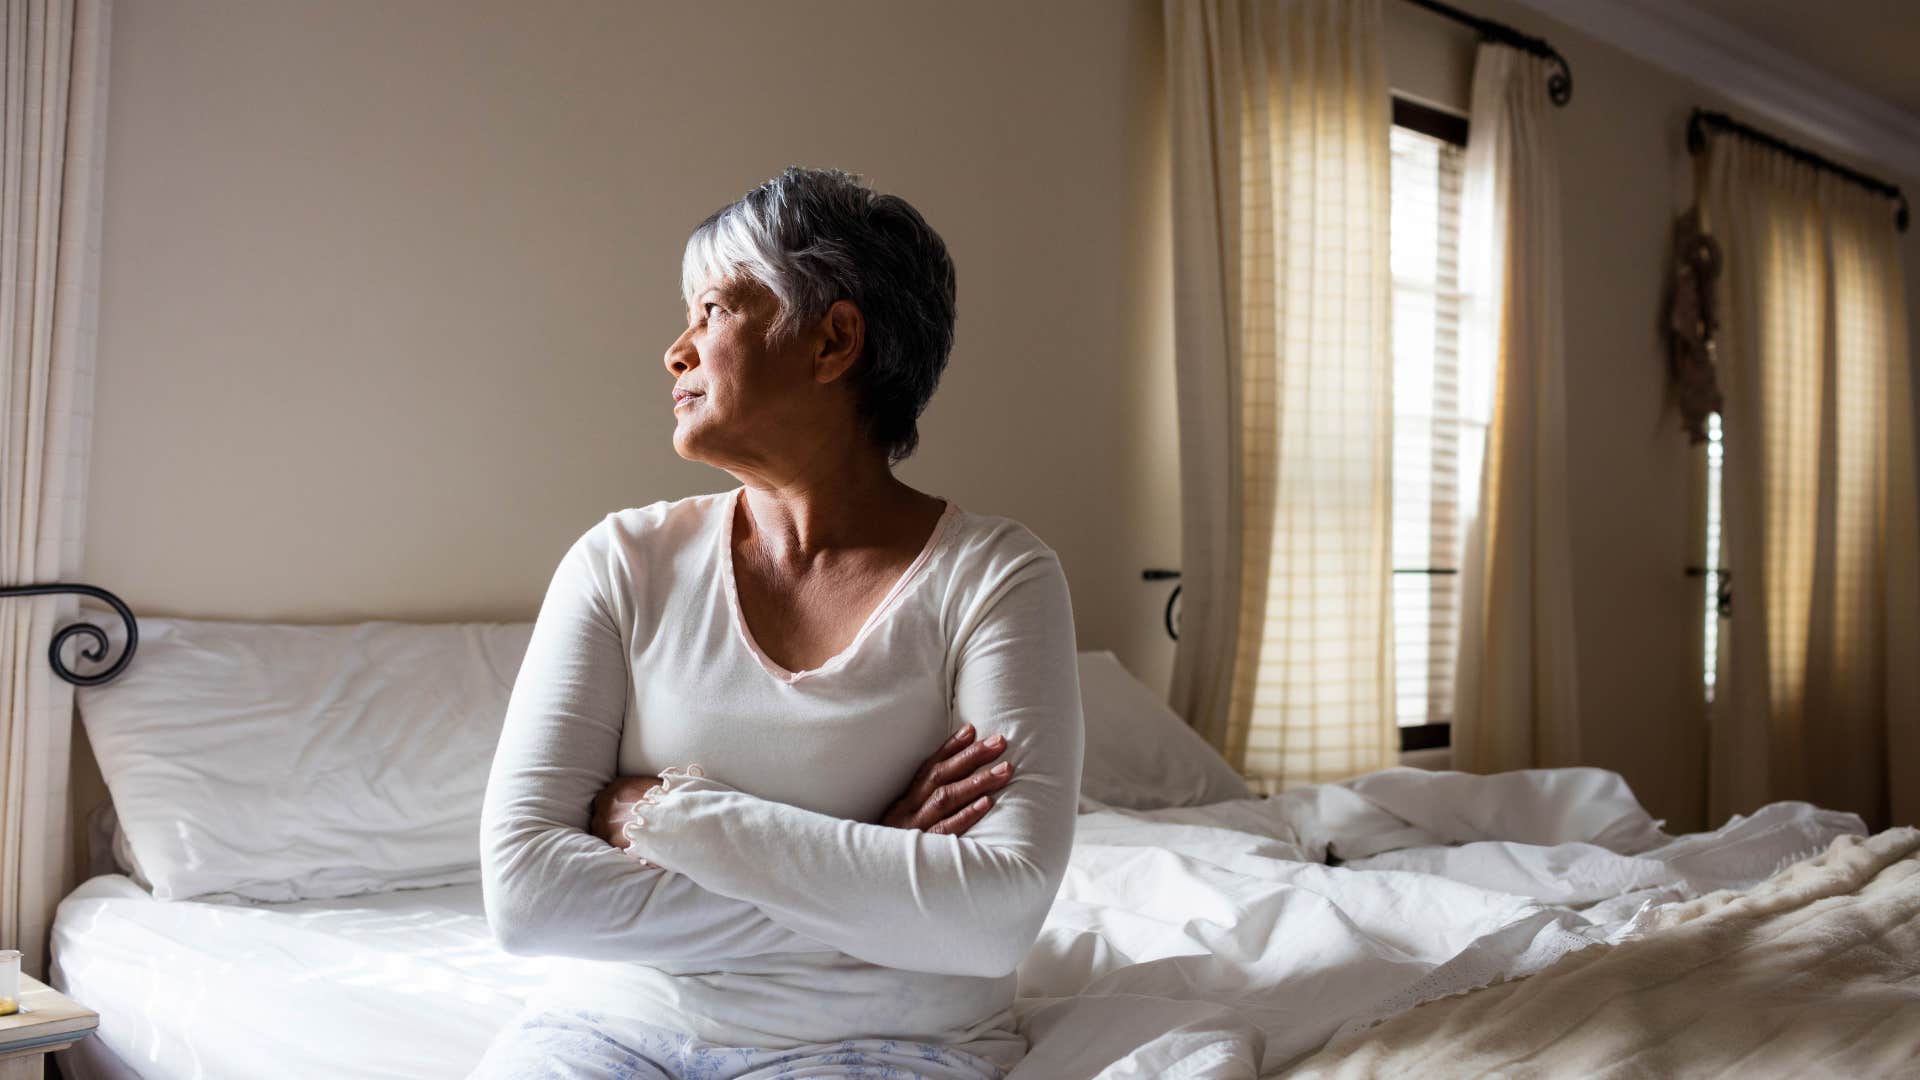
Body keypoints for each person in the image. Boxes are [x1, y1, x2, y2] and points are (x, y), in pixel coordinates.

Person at [471, 166, 1085, 1079]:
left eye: (713, 310)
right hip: (611, 1027)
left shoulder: (997, 577)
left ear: (833, 340)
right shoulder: (620, 562)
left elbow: (993, 919)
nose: (676, 351)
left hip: (892, 1041)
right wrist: (883, 861)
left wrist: (677, 820)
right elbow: (526, 898)